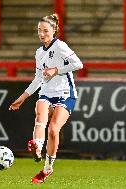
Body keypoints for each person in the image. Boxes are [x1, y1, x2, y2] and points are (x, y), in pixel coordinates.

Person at [9, 13, 83, 183]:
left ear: (54, 30)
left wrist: (56, 70)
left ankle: (47, 168)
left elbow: (78, 64)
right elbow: (38, 79)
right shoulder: (39, 52)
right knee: (40, 115)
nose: (42, 34)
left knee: (53, 130)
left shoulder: (60, 46)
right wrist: (23, 97)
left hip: (65, 94)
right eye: (39, 31)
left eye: (45, 31)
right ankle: (37, 148)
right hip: (46, 93)